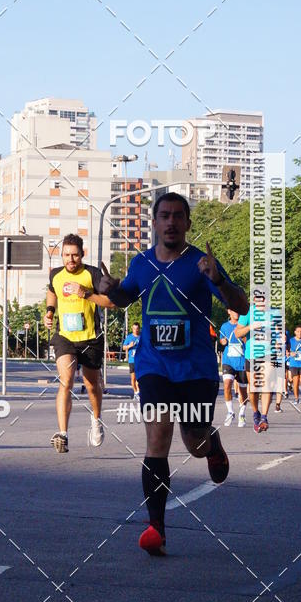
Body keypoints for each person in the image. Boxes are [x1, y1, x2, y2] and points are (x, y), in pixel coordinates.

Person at [100, 193, 248, 555]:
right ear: (154, 223)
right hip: (154, 367)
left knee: (194, 442)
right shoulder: (142, 263)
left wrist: (221, 282)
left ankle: (210, 443)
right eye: (164, 216)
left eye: (178, 217)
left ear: (187, 224)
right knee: (158, 437)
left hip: (195, 369)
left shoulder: (202, 263)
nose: (171, 222)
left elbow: (240, 306)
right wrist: (110, 290)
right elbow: (124, 298)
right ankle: (156, 528)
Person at [44, 234, 113, 454]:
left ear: (83, 254)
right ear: (62, 255)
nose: (70, 259)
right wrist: (49, 312)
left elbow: (110, 303)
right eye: (66, 255)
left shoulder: (92, 274)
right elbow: (52, 291)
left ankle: (96, 419)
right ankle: (63, 434)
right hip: (65, 337)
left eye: (75, 255)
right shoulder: (56, 274)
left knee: (92, 385)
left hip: (91, 338)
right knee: (66, 381)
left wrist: (86, 294)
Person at [234, 299, 285, 432]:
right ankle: (256, 413)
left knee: (267, 383)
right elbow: (237, 333)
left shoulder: (274, 313)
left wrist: (281, 337)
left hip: (269, 353)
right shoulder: (247, 313)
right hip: (251, 355)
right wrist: (250, 327)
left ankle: (264, 416)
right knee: (254, 387)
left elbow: (279, 331)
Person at [219, 310, 248, 426]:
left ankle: (242, 414)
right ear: (229, 312)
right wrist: (223, 341)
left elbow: (250, 341)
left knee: (243, 391)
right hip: (228, 361)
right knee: (227, 385)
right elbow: (221, 340)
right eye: (234, 311)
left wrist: (244, 338)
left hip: (242, 361)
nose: (237, 313)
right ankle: (230, 412)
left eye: (238, 311)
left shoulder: (244, 326)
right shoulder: (224, 326)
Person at [122, 322, 141, 398]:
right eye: (134, 329)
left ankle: (138, 392)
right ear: (132, 329)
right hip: (132, 360)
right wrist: (130, 345)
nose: (135, 330)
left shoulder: (142, 337)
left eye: (137, 329)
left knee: (139, 378)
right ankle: (135, 392)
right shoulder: (129, 337)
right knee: (133, 378)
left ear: (139, 329)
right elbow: (124, 348)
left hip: (140, 360)